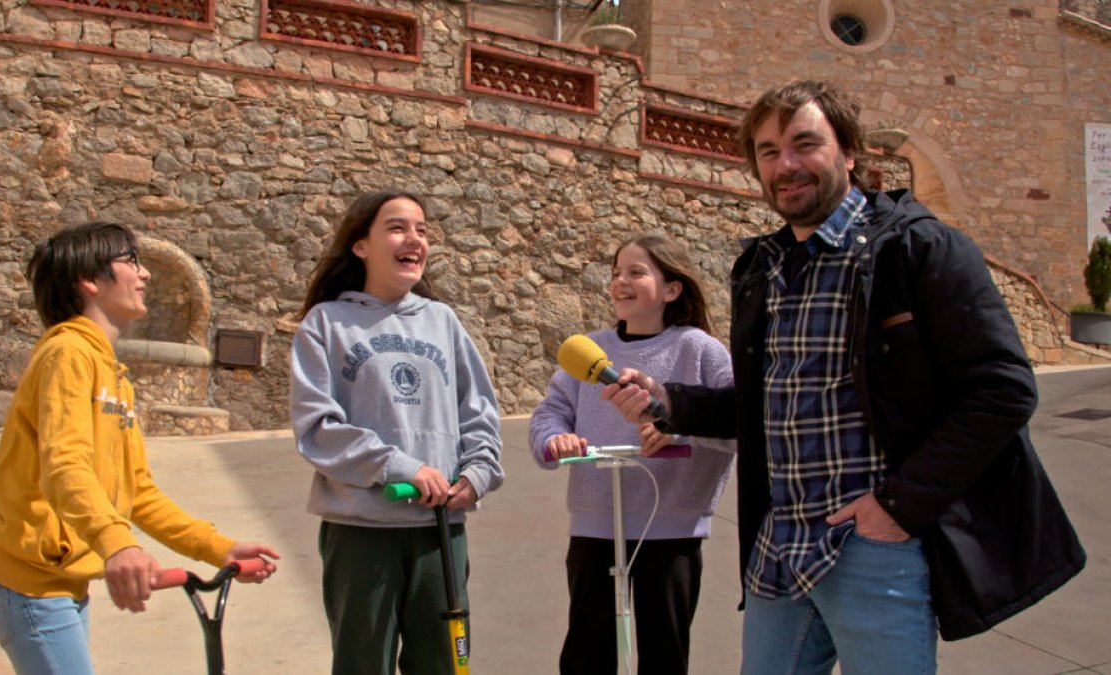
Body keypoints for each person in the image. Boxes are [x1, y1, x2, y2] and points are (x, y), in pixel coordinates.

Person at [601, 80, 1086, 674]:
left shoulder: (917, 247)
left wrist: (897, 508)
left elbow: (1003, 390)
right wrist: (668, 400)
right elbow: (763, 404)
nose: (787, 165)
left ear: (850, 151)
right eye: (769, 152)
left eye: (806, 144)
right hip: (779, 543)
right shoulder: (762, 267)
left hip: (873, 546)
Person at [0, 222, 279, 675]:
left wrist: (217, 547)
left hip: (62, 582)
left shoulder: (110, 372)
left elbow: (139, 492)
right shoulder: (69, 355)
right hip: (29, 584)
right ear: (90, 281)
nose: (146, 274)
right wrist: (118, 546)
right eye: (131, 261)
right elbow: (65, 464)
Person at [289, 189, 505, 675]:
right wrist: (402, 467)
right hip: (362, 534)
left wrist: (476, 473)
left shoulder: (442, 321)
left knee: (447, 665)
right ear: (361, 245)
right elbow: (316, 428)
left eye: (422, 230)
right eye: (398, 227)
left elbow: (479, 414)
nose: (415, 240)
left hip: (440, 533)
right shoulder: (326, 323)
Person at [529, 234, 736, 675]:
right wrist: (555, 440)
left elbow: (738, 425)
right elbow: (549, 415)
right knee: (586, 654)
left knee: (664, 655)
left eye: (636, 272)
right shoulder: (588, 349)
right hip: (595, 528)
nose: (621, 281)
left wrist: (683, 432)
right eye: (616, 273)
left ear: (671, 289)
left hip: (672, 533)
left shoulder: (700, 350)